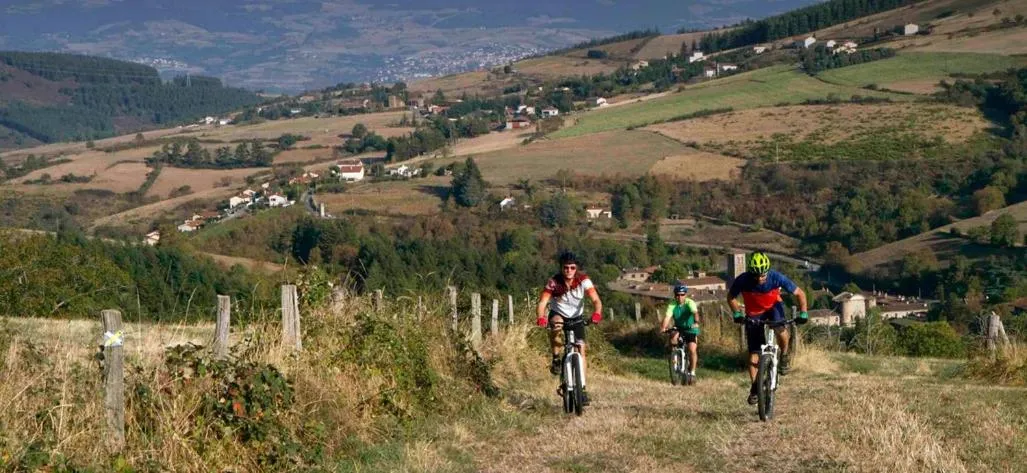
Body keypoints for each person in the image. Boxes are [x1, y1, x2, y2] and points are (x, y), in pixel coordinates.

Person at [726, 251, 808, 405]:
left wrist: (803, 312)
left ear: (768, 271)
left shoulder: (776, 277)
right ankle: (755, 387)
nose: (760, 279)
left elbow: (800, 293)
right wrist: (736, 312)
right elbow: (730, 297)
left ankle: (784, 355)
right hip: (754, 313)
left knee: (781, 329)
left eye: (763, 275)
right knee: (754, 355)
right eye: (756, 276)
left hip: (773, 307)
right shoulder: (743, 280)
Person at [536, 251, 603, 405]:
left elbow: (596, 300)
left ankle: (583, 389)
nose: (569, 271)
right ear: (561, 268)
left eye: (572, 268)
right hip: (559, 314)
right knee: (556, 326)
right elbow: (542, 303)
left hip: (577, 318)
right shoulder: (553, 282)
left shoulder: (583, 280)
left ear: (576, 268)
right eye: (566, 268)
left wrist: (597, 314)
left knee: (581, 350)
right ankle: (556, 358)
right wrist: (541, 317)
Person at [660, 283, 700, 380]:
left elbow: (695, 313)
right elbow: (667, 317)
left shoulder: (690, 302)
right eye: (677, 295)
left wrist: (696, 322)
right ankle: (675, 358)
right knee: (673, 339)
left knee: (692, 349)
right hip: (679, 328)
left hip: (691, 328)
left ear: (685, 295)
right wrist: (663, 327)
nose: (680, 297)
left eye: (682, 294)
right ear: (675, 295)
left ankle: (692, 372)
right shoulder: (672, 304)